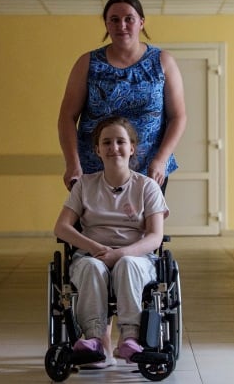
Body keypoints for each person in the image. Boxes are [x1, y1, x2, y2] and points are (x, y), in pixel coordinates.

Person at [53, 116, 169, 367]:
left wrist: (120, 253)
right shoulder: (84, 185)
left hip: (136, 257)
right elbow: (61, 227)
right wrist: (96, 249)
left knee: (127, 264)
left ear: (132, 148)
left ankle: (130, 338)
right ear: (97, 150)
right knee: (91, 267)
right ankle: (95, 340)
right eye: (106, 142)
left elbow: (155, 236)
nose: (113, 147)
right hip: (91, 255)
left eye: (120, 142)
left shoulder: (147, 187)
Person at [58, 0, 187, 192]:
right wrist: (72, 163)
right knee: (93, 224)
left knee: (148, 224)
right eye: (114, 20)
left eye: (129, 19)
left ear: (141, 23)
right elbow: (67, 116)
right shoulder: (87, 63)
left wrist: (161, 160)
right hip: (95, 171)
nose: (122, 25)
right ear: (107, 25)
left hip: (149, 171)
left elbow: (178, 116)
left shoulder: (163, 62)